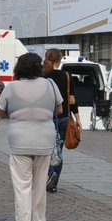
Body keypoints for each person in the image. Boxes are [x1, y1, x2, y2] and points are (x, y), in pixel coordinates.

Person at [0, 52, 63, 221]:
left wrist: (17, 114)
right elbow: (59, 109)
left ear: (19, 68)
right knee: (40, 186)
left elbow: (0, 112)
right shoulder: (50, 85)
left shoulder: (12, 87)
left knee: (22, 187)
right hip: (44, 140)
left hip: (20, 141)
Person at [42, 49, 77, 192]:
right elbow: (72, 99)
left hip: (44, 118)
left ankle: (47, 176)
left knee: (44, 151)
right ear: (60, 60)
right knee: (58, 151)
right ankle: (54, 181)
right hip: (62, 118)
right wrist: (77, 118)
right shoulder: (67, 76)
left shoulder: (42, 76)